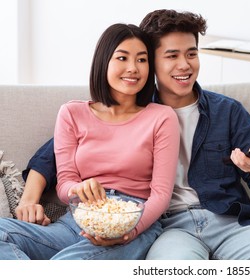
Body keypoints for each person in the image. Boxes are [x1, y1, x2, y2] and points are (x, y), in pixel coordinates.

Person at [14, 9, 250, 260]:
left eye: (191, 54)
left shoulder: (228, 111)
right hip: (168, 226)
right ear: (153, 61)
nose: (184, 65)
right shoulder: (132, 111)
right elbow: (51, 157)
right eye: (171, 56)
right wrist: (29, 200)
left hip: (229, 221)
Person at [0, 23, 180, 260]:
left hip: (131, 223)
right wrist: (78, 189)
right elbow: (65, 183)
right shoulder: (72, 113)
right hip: (76, 220)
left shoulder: (162, 117)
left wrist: (130, 229)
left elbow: (161, 194)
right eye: (122, 58)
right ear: (103, 61)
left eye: (142, 60)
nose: (133, 68)